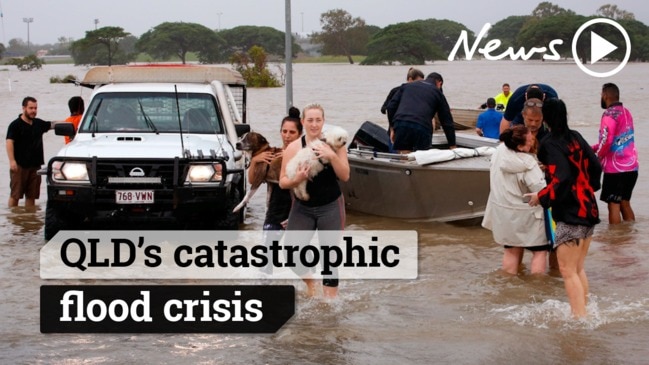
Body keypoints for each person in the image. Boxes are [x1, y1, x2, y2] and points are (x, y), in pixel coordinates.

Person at [526, 98, 601, 318]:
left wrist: (541, 197)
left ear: (545, 119)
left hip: (571, 212)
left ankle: (579, 319)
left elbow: (562, 178)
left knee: (568, 271)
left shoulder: (549, 143)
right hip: (588, 209)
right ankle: (585, 312)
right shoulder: (575, 136)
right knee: (577, 268)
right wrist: (590, 187)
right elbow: (595, 165)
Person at [279, 103, 350, 298]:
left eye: (318, 120)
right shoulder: (293, 147)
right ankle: (312, 283)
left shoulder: (335, 142)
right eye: (310, 120)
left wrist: (331, 156)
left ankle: (330, 304)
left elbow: (345, 176)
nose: (314, 124)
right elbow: (283, 182)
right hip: (303, 207)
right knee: (291, 254)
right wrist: (298, 179)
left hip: (331, 205)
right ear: (303, 122)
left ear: (324, 122)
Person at [482, 125, 549, 275]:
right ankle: (538, 290)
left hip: (503, 212)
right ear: (519, 146)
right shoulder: (528, 163)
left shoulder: (498, 152)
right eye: (529, 140)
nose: (532, 141)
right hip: (528, 214)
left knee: (511, 250)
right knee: (539, 252)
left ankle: (509, 287)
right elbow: (540, 189)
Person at [250, 107, 303, 273]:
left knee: (298, 260)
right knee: (265, 261)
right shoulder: (272, 155)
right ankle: (265, 292)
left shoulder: (305, 155)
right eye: (284, 131)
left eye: (292, 132)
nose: (287, 136)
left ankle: (310, 293)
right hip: (274, 213)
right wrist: (255, 161)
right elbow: (252, 181)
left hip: (299, 214)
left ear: (300, 134)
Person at [592, 83, 639, 224]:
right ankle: (629, 237)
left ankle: (615, 241)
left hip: (615, 170)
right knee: (625, 202)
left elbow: (606, 141)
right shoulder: (626, 112)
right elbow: (617, 140)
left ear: (605, 95)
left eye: (601, 95)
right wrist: (591, 148)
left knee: (613, 204)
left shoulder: (609, 114)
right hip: (632, 167)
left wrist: (597, 157)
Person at [6, 96, 59, 207]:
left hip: (35, 167)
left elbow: (52, 125)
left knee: (32, 196)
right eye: (31, 108)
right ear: (24, 108)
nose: (33, 111)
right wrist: (12, 161)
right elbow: (9, 142)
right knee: (15, 195)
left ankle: (30, 220)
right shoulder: (15, 125)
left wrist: (72, 121)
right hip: (19, 166)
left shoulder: (38, 123)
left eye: (35, 108)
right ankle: (12, 219)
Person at [386, 72, 456, 153]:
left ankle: (404, 163)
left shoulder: (406, 86)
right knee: (421, 158)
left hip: (401, 123)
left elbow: (390, 107)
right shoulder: (437, 93)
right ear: (439, 83)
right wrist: (452, 145)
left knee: (404, 155)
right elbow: (447, 121)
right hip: (422, 126)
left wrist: (392, 128)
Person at [380, 68, 425, 147]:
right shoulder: (396, 91)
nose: (420, 85)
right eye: (419, 82)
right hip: (396, 128)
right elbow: (384, 109)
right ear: (410, 79)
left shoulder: (421, 93)